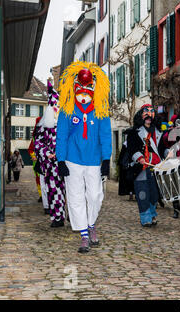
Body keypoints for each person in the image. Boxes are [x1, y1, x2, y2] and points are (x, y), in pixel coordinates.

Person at [56, 61, 112, 253]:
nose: (84, 94)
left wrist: (106, 159)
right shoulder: (67, 110)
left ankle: (91, 223)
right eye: (81, 88)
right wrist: (60, 159)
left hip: (94, 160)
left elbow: (105, 135)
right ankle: (84, 234)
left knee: (95, 195)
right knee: (76, 197)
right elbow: (61, 135)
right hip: (72, 160)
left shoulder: (101, 110)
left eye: (88, 88)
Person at [126, 104, 162, 227]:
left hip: (156, 167)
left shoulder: (159, 132)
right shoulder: (134, 132)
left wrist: (168, 152)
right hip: (141, 168)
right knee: (142, 193)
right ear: (141, 115)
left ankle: (151, 214)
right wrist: (139, 158)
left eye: (152, 112)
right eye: (146, 112)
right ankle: (146, 218)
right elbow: (131, 148)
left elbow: (162, 148)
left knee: (154, 194)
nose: (149, 115)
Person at [34, 92, 66, 228]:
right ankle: (57, 217)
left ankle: (75, 217)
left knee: (72, 190)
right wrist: (47, 153)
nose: (56, 109)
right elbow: (38, 143)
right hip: (51, 166)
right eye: (54, 106)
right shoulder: (43, 127)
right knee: (54, 191)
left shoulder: (67, 123)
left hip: (68, 162)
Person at [158, 113, 180, 218]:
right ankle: (176, 209)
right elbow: (163, 146)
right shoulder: (168, 134)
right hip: (174, 163)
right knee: (175, 186)